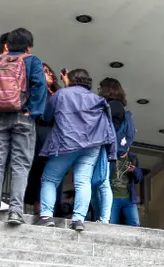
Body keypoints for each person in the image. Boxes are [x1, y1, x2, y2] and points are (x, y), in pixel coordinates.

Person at [0, 27, 47, 224]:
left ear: (7, 45)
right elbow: (40, 87)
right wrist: (32, 112)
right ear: (28, 47)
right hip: (23, 117)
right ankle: (15, 211)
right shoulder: (32, 61)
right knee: (20, 165)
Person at [35, 69, 117, 232]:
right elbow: (108, 127)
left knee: (50, 179)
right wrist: (111, 151)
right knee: (83, 181)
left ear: (70, 80)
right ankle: (78, 219)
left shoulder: (61, 94)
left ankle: (46, 216)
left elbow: (47, 116)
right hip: (92, 145)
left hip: (66, 142)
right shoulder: (98, 100)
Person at [24, 62, 60, 214]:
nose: (49, 73)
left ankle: (50, 209)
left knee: (54, 172)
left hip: (56, 135)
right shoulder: (37, 91)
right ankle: (39, 209)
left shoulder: (58, 93)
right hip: (41, 131)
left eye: (50, 71)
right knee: (39, 171)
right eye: (45, 71)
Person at [96, 77, 130, 223]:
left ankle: (104, 219)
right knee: (100, 181)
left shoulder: (113, 105)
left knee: (102, 182)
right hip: (108, 147)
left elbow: (101, 124)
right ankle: (101, 218)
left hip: (105, 147)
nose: (99, 91)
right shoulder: (117, 105)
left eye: (101, 88)